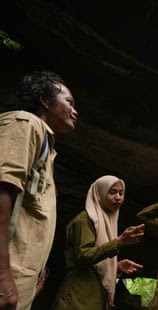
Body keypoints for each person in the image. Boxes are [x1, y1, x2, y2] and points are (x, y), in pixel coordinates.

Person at [0, 71, 78, 310]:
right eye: (69, 102)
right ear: (45, 99)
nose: (75, 112)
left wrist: (32, 282)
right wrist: (3, 277)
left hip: (20, 280)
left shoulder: (44, 142)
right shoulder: (24, 124)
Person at [52, 175, 145, 309]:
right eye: (112, 192)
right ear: (100, 194)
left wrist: (116, 266)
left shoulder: (109, 220)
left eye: (121, 193)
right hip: (78, 297)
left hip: (96, 297)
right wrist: (118, 242)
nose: (118, 197)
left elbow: (97, 264)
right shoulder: (86, 220)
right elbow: (83, 256)